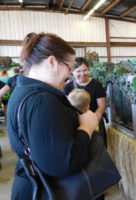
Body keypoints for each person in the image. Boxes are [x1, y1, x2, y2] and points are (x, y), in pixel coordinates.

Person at [7, 32, 99, 200]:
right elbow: (63, 163)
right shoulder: (42, 101)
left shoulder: (21, 92)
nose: (70, 75)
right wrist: (87, 127)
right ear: (52, 62)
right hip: (50, 191)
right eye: (69, 68)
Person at [64, 57, 107, 146]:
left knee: (98, 148)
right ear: (72, 72)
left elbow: (102, 105)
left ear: (88, 70)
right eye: (78, 71)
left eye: (85, 70)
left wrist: (94, 119)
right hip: (76, 125)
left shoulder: (96, 85)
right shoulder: (67, 87)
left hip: (95, 123)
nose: (82, 74)